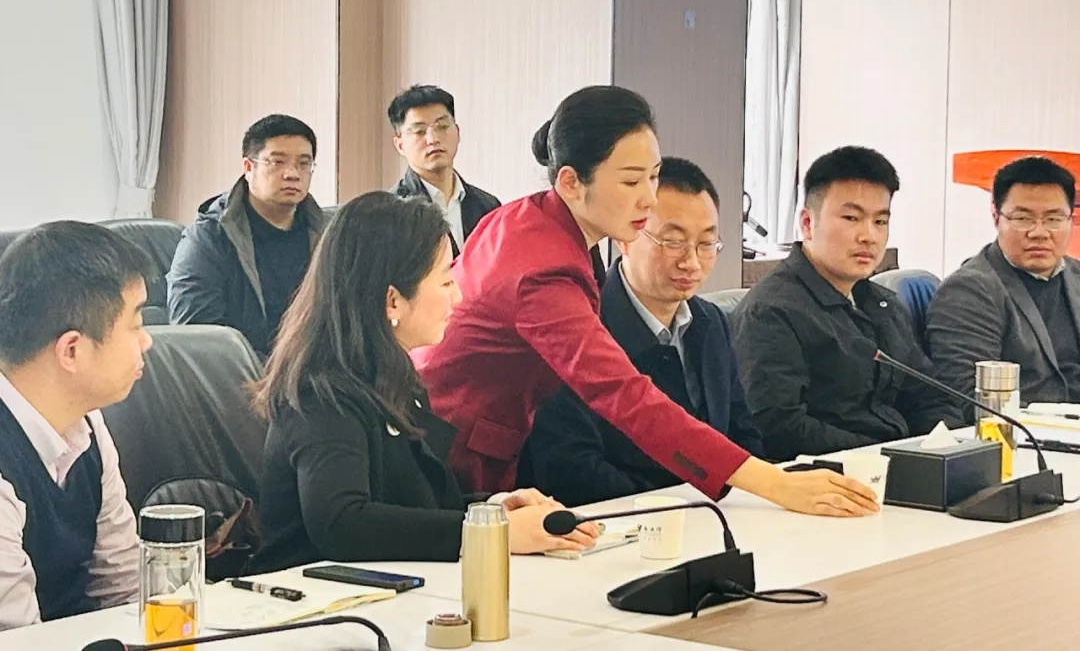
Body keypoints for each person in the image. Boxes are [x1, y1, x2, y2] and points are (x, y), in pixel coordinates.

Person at [413, 85, 878, 517]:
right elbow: (625, 396)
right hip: (446, 450)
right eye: (632, 181)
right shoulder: (543, 271)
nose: (649, 199)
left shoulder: (529, 217)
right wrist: (776, 485)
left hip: (461, 435)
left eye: (653, 177)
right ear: (571, 182)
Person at [248, 192, 598, 572]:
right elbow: (341, 522)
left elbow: (416, 508)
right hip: (305, 599)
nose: (458, 297)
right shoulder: (321, 394)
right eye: (446, 282)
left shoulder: (395, 378)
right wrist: (491, 533)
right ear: (392, 301)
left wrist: (492, 509)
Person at [518, 158, 765, 507]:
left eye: (706, 244)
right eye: (673, 241)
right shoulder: (578, 327)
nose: (692, 262)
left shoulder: (710, 322)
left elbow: (743, 435)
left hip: (717, 517)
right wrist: (677, 506)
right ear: (625, 238)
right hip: (619, 523)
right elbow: (571, 469)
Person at [730, 147, 966, 462]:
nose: (869, 236)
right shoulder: (770, 313)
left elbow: (931, 397)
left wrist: (936, 449)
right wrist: (886, 454)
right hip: (826, 477)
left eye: (880, 221)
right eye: (851, 218)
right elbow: (778, 429)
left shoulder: (883, 305)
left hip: (897, 468)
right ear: (807, 223)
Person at [0, 222, 153, 630]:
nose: (147, 341)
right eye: (135, 324)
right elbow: (18, 640)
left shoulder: (86, 425)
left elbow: (125, 585)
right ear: (71, 350)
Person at [167, 114, 327, 359]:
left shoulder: (326, 232)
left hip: (317, 372)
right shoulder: (208, 239)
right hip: (242, 375)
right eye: (277, 162)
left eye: (304, 164)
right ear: (248, 168)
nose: (292, 174)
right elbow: (196, 339)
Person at [926, 156, 1080, 411]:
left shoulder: (1076, 276)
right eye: (1023, 218)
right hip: (1023, 429)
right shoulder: (968, 291)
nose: (1039, 232)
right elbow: (969, 396)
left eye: (1053, 219)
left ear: (1070, 219)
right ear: (996, 217)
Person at [388, 85, 501, 257]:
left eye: (442, 126)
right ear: (400, 145)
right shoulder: (390, 213)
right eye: (419, 131)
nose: (433, 139)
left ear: (458, 132)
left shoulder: (488, 207)